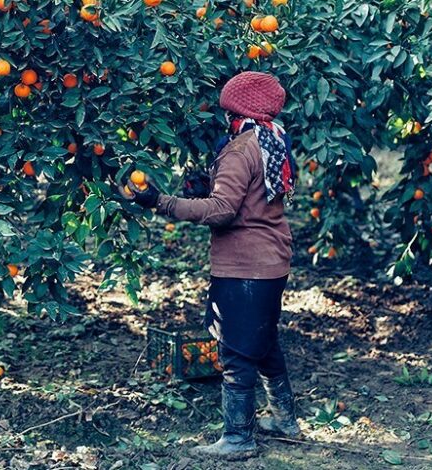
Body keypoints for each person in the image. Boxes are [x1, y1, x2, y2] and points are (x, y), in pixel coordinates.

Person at [121, 71, 300, 460]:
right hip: (271, 259)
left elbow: (223, 211)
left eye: (227, 109)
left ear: (237, 109)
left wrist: (159, 202)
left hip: (245, 265)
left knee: (235, 350)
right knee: (263, 341)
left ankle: (238, 438)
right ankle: (285, 419)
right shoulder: (273, 138)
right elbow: (251, 194)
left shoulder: (240, 149)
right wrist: (208, 183)